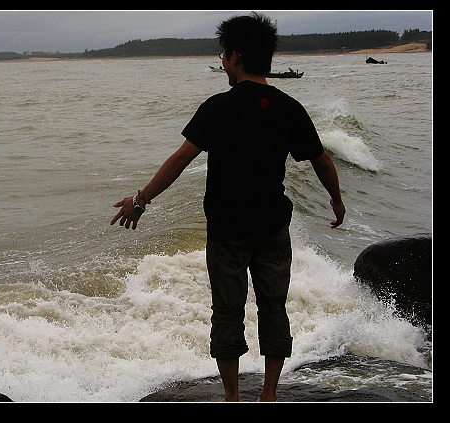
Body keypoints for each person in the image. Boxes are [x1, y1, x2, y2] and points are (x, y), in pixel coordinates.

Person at [110, 12, 345, 402]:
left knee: (227, 312)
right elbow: (321, 160)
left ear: (235, 56)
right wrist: (336, 200)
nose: (222, 62)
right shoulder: (289, 107)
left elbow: (181, 159)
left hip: (227, 229)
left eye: (223, 55)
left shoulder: (219, 107)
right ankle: (269, 393)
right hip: (272, 227)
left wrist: (140, 200)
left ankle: (232, 396)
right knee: (274, 307)